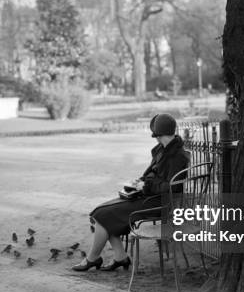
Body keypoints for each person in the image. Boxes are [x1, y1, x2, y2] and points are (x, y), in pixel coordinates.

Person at [72, 113, 189, 271]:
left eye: (156, 135)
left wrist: (145, 186)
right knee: (100, 212)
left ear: (159, 134)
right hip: (148, 197)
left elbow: (172, 188)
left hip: (159, 204)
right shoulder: (163, 149)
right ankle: (121, 257)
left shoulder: (177, 156)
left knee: (103, 216)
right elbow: (152, 175)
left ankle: (93, 259)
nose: (156, 139)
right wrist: (139, 182)